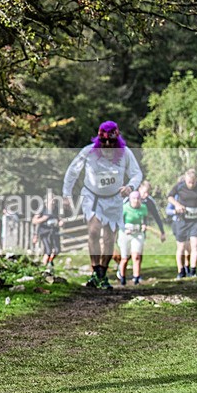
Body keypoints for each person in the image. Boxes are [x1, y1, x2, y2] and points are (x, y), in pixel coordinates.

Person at [63, 121, 142, 290]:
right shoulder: (88, 152)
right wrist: (66, 195)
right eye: (104, 142)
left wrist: (130, 187)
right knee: (93, 230)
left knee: (109, 237)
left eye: (111, 143)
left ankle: (102, 274)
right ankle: (95, 269)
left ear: (117, 141)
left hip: (114, 199)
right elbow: (72, 172)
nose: (107, 146)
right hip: (92, 196)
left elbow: (136, 174)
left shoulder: (125, 154)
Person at [167, 169, 197, 278]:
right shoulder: (180, 186)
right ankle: (181, 271)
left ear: (196, 180)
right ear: (185, 180)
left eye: (193, 182)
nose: (191, 184)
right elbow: (170, 197)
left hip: (196, 220)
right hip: (183, 221)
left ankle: (193, 271)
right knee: (181, 247)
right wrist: (177, 205)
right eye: (189, 182)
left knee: (194, 246)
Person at [116, 191, 147, 285]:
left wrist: (144, 225)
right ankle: (123, 278)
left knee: (136, 256)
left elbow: (144, 220)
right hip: (125, 234)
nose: (136, 201)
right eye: (134, 198)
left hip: (137, 234)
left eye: (138, 199)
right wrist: (124, 229)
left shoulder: (143, 208)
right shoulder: (124, 208)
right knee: (125, 258)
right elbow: (119, 221)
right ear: (130, 199)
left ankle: (136, 278)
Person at [32, 198, 63, 271]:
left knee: (57, 250)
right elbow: (34, 221)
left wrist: (60, 222)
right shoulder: (42, 209)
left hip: (54, 232)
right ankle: (44, 267)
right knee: (48, 251)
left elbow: (60, 219)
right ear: (46, 202)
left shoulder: (56, 209)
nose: (53, 204)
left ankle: (49, 262)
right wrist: (43, 218)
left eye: (54, 202)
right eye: (51, 202)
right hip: (44, 232)